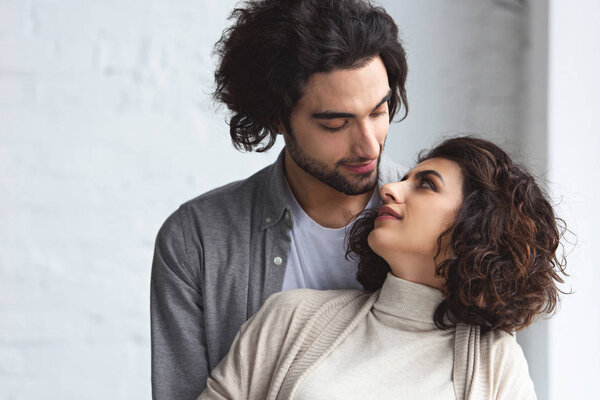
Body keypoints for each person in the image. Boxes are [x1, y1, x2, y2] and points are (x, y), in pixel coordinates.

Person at [150, 0, 409, 398]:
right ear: (276, 117)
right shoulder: (197, 241)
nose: (368, 145)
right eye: (336, 123)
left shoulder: (441, 219)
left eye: (379, 111)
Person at [198, 137, 567, 400]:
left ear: (475, 228)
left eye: (426, 185)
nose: (390, 188)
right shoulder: (291, 318)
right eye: (405, 177)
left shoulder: (494, 361)